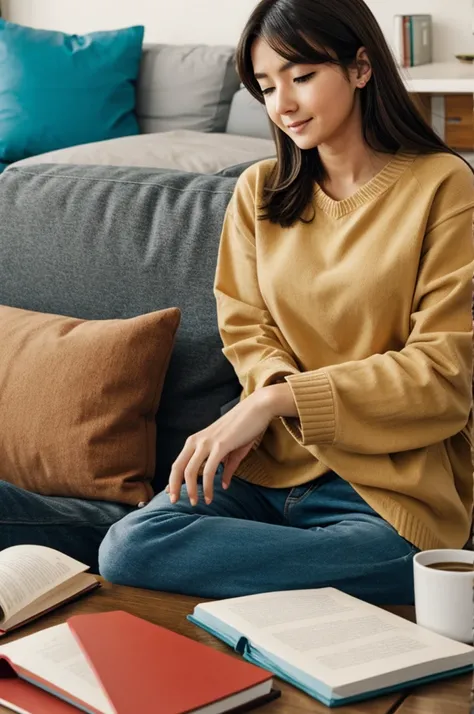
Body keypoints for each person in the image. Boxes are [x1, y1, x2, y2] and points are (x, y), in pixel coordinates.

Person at [99, 0, 474, 604]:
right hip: (266, 471)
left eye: (301, 77)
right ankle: (314, 582)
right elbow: (246, 327)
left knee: (408, 562)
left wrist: (275, 400)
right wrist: (271, 399)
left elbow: (442, 374)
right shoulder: (258, 191)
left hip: (385, 490)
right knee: (127, 548)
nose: (284, 105)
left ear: (359, 68)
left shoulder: (443, 186)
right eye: (267, 87)